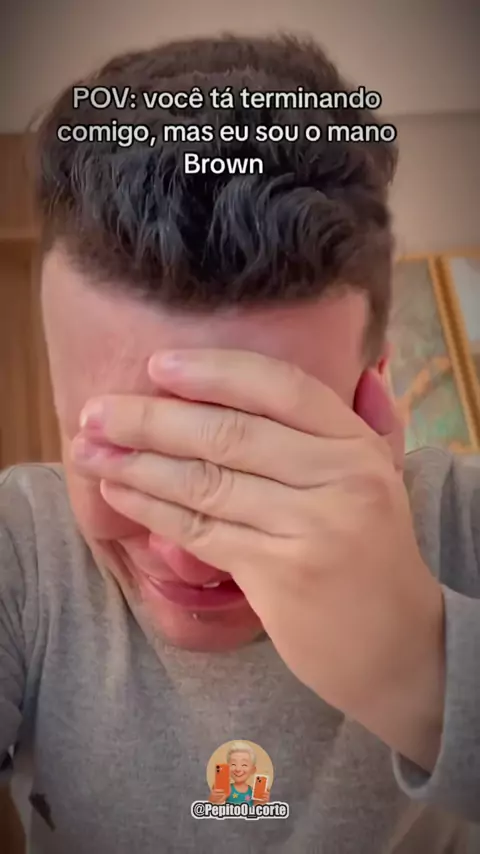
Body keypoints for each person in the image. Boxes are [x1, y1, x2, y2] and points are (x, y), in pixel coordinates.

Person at [0, 34, 479, 854]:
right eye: (130, 454)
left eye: (266, 457)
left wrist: (423, 669)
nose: (189, 554)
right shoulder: (20, 548)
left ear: (373, 398)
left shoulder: (464, 526)